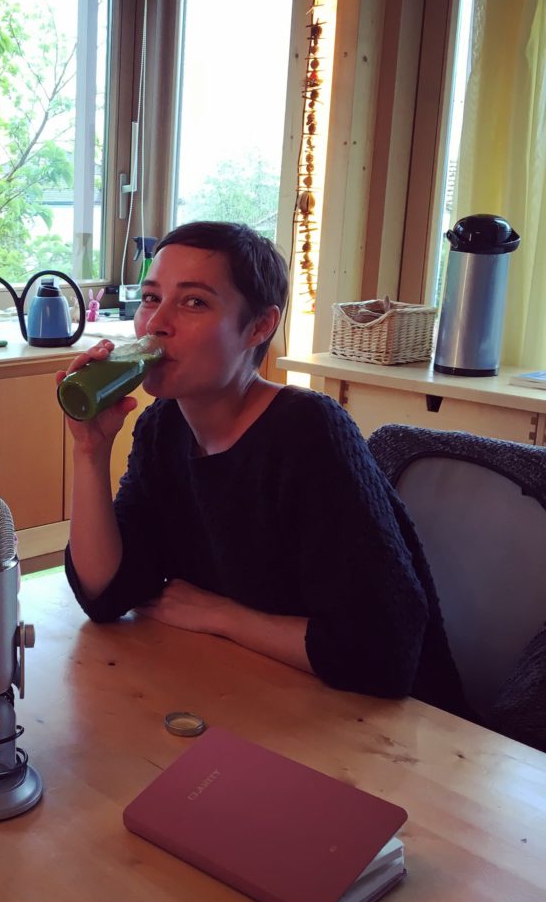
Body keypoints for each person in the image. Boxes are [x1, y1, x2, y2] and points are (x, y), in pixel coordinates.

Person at [61, 221, 467, 715]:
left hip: (388, 727)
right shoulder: (163, 426)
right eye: (150, 298)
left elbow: (383, 653)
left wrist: (222, 615)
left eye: (194, 302)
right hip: (247, 694)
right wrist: (90, 452)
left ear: (258, 327)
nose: (156, 324)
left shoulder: (308, 431)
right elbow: (107, 594)